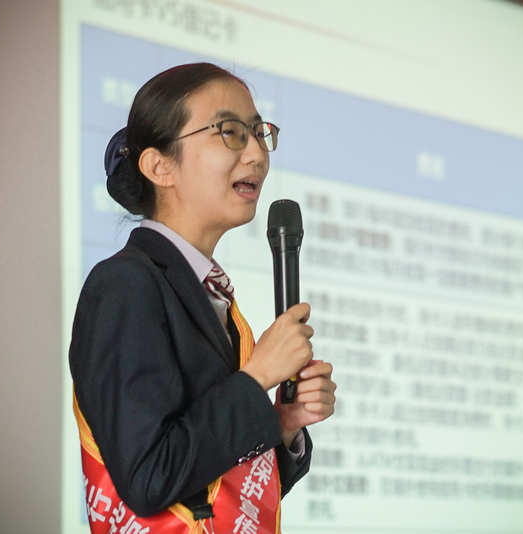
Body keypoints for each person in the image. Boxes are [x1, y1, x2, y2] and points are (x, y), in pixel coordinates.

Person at [69, 62, 336, 534]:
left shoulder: (211, 297)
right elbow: (149, 477)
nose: (257, 152)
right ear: (159, 166)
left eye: (259, 132)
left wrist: (281, 425)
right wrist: (257, 379)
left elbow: (210, 497)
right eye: (230, 132)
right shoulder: (125, 285)